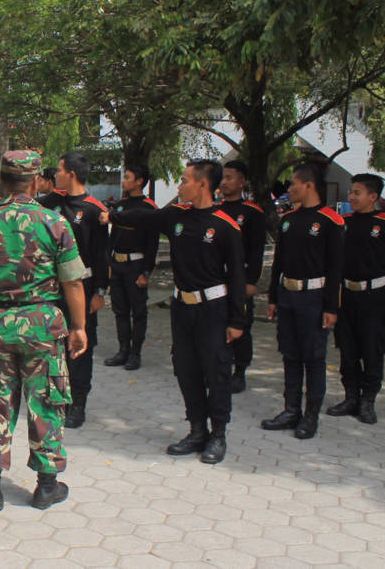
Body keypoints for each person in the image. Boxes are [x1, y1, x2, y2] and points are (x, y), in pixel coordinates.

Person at [0, 150, 88, 512]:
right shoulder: (55, 223)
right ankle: (46, 485)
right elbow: (73, 283)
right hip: (42, 326)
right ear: (34, 181)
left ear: (1, 179)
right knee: (45, 399)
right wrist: (78, 327)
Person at [104, 160, 245, 464]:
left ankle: (217, 434)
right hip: (182, 308)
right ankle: (196, 430)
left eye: (184, 180)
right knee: (186, 368)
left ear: (203, 185)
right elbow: (143, 218)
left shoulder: (225, 226)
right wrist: (111, 215)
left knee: (215, 372)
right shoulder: (176, 216)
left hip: (213, 309)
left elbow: (236, 277)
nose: (179, 186)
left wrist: (237, 320)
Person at [262, 163, 344, 439]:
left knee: (314, 358)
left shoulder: (331, 221)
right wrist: (273, 297)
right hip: (288, 295)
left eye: (294, 183)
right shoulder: (288, 219)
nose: (290, 188)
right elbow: (279, 263)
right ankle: (290, 410)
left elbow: (336, 269)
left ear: (308, 185)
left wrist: (332, 307)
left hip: (314, 297)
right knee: (290, 354)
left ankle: (310, 417)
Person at [39, 152, 109, 428]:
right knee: (53, 344)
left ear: (71, 174)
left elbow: (102, 255)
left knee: (79, 346)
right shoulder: (51, 203)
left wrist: (100, 292)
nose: (55, 174)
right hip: (51, 288)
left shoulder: (93, 209)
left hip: (82, 286)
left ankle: (78, 402)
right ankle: (58, 396)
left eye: (59, 169)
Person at [329, 173, 385, 425]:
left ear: (373, 196)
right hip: (346, 294)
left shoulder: (382, 222)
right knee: (347, 349)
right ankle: (351, 396)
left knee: (372, 350)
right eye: (351, 192)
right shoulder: (344, 222)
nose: (351, 197)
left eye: (357, 193)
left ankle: (367, 401)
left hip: (375, 296)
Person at [218, 160, 267, 392]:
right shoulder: (216, 209)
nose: (224, 182)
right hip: (216, 280)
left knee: (241, 326)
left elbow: (257, 251)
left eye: (229, 178)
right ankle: (220, 367)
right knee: (218, 326)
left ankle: (240, 371)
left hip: (240, 281)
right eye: (222, 178)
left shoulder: (252, 213)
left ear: (241, 181)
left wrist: (251, 281)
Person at [104, 163, 159, 371]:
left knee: (138, 311)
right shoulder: (120, 205)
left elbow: (152, 243)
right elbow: (113, 236)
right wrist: (109, 262)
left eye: (127, 177)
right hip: (117, 265)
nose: (123, 180)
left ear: (139, 181)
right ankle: (123, 350)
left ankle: (135, 354)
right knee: (120, 310)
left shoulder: (149, 208)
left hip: (136, 266)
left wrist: (146, 271)